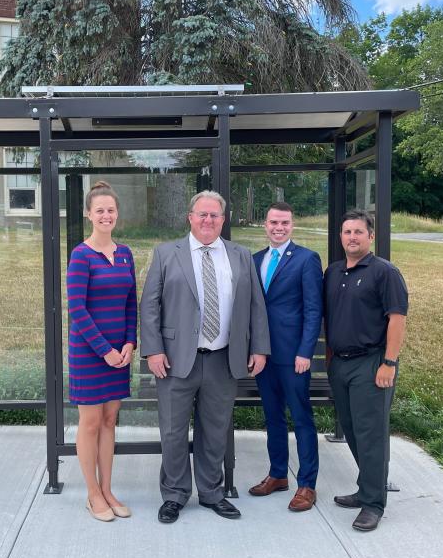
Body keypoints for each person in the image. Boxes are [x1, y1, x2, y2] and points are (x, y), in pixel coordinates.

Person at [140, 190, 270, 524]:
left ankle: (213, 493)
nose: (208, 220)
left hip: (223, 359)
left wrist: (258, 348)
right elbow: (149, 305)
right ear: (190, 217)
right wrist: (153, 349)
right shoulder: (168, 253)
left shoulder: (240, 256)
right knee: (172, 432)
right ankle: (174, 495)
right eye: (202, 215)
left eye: (214, 215)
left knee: (215, 431)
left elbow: (256, 305)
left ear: (223, 220)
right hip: (175, 360)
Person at [324, 209, 408, 532]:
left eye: (359, 232)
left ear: (370, 237)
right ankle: (366, 489)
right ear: (340, 237)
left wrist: (389, 362)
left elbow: (397, 319)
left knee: (371, 434)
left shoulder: (384, 273)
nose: (352, 237)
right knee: (353, 429)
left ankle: (374, 503)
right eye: (347, 232)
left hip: (372, 363)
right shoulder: (333, 273)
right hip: (340, 364)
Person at [66, 181, 137, 522]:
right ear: (88, 215)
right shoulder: (81, 255)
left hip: (118, 355)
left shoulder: (125, 254)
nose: (106, 215)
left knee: (111, 420)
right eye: (99, 210)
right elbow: (77, 310)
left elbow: (130, 305)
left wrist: (128, 343)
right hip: (89, 354)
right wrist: (105, 350)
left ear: (117, 214)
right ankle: (92, 493)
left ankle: (108, 489)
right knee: (91, 422)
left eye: (111, 210)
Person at [248, 203, 323, 512]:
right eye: (273, 222)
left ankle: (307, 484)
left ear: (292, 225)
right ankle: (278, 474)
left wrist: (305, 351)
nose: (278, 227)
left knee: (301, 418)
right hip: (264, 356)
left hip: (293, 357)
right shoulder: (255, 260)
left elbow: (312, 309)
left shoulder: (306, 259)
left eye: (284, 222)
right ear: (264, 225)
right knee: (273, 417)